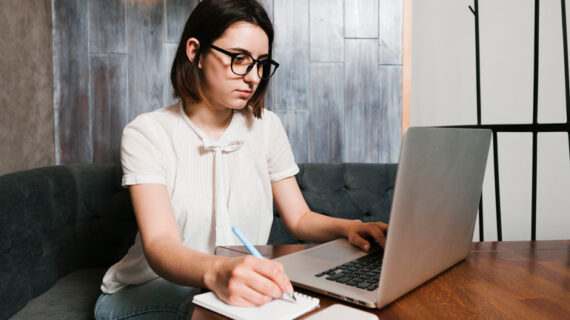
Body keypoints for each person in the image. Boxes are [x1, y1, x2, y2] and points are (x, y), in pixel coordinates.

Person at [94, 0, 387, 319]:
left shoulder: (267, 127)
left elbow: (300, 218)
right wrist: (220, 272)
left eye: (261, 63)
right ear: (195, 52)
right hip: (148, 288)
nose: (253, 77)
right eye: (239, 59)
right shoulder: (147, 132)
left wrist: (352, 227)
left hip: (234, 289)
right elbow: (161, 245)